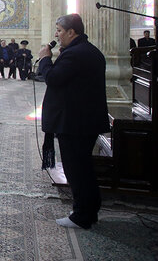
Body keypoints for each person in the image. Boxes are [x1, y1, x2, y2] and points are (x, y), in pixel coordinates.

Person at [37, 13, 110, 230]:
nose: (56, 35)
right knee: (83, 167)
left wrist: (44, 59)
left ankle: (82, 216)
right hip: (82, 120)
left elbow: (52, 78)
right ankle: (88, 210)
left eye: (59, 30)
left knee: (77, 169)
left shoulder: (75, 54)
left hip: (75, 123)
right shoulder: (86, 50)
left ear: (71, 32)